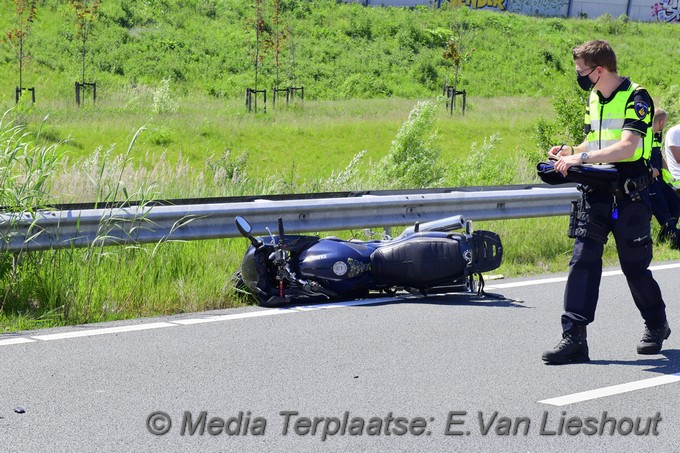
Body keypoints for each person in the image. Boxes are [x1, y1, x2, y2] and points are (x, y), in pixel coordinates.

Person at [542, 40, 671, 364]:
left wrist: (582, 157)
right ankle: (574, 337)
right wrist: (569, 151)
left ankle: (656, 325)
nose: (579, 76)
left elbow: (628, 147)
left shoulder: (636, 97)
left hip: (630, 195)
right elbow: (593, 140)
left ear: (599, 70)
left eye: (581, 71)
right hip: (596, 192)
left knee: (634, 268)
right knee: (582, 261)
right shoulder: (593, 97)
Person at [648, 109, 680, 246]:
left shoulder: (657, 134)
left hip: (660, 179)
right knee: (663, 210)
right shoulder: (644, 134)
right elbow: (639, 155)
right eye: (665, 122)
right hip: (649, 180)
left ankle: (663, 237)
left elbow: (658, 155)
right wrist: (650, 169)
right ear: (661, 122)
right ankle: (674, 239)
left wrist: (667, 171)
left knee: (676, 204)